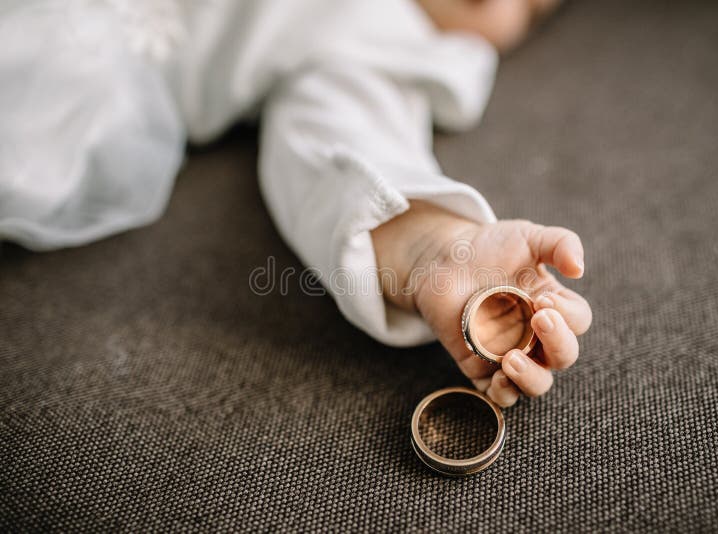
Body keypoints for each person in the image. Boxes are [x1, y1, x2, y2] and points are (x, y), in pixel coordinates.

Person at [0, 0, 590, 407]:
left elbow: (338, 138)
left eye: (533, 7)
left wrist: (435, 247)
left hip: (68, 72)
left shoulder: (385, 40)